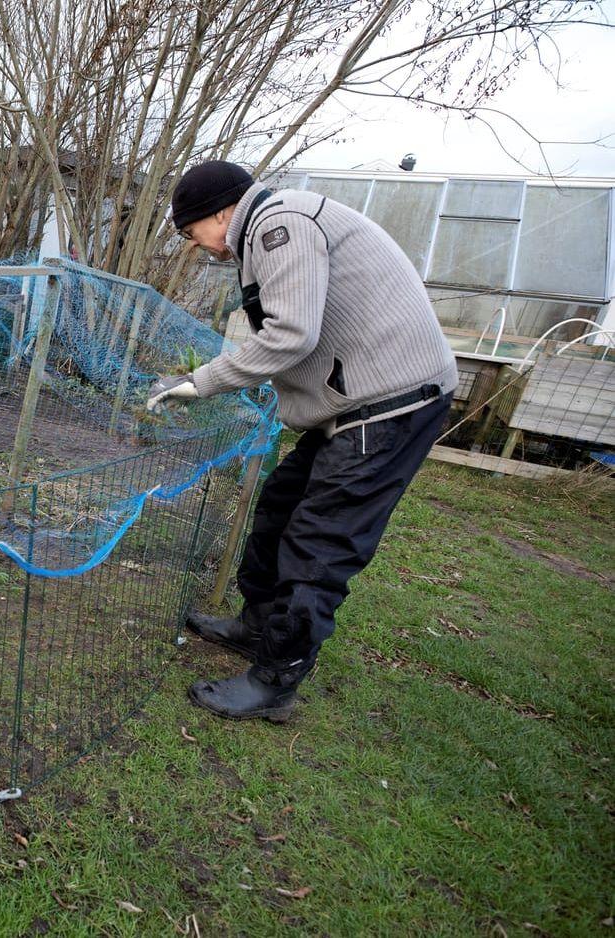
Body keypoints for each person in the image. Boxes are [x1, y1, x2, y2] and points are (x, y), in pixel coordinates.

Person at [146, 160, 456, 722]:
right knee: (280, 508)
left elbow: (291, 332)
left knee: (319, 543)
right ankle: (257, 626)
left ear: (221, 212)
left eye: (194, 234)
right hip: (356, 403)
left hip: (388, 406)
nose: (201, 248)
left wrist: (202, 382)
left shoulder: (276, 223)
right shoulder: (276, 223)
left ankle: (274, 682)